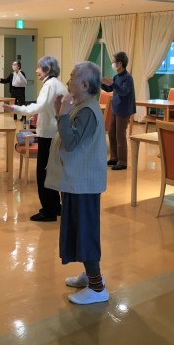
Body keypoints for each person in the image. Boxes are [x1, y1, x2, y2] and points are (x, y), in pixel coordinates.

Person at [46, 61, 108, 305]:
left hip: (84, 184)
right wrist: (60, 111)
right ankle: (90, 275)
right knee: (78, 229)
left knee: (85, 232)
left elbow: (70, 143)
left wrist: (62, 113)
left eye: (72, 76)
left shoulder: (87, 111)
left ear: (84, 85)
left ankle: (97, 287)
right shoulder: (81, 106)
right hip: (77, 181)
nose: (68, 80)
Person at [3, 56, 67, 222]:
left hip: (49, 135)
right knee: (51, 171)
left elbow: (38, 107)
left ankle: (48, 211)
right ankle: (55, 206)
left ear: (47, 69)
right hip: (55, 133)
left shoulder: (49, 85)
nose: (37, 71)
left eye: (39, 67)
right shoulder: (57, 84)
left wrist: (15, 108)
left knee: (43, 173)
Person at [101, 51, 136, 171]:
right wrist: (101, 83)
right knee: (111, 133)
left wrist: (112, 83)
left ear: (120, 63)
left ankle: (122, 161)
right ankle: (114, 157)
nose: (113, 64)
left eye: (114, 62)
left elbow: (123, 92)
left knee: (120, 135)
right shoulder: (116, 77)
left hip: (124, 110)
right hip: (115, 109)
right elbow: (109, 88)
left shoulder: (128, 78)